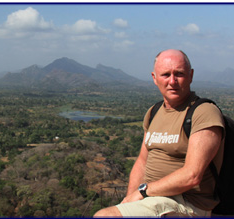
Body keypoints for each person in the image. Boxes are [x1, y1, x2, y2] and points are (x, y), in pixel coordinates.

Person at [93, 49, 225, 217]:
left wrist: (142, 192)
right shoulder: (154, 112)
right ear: (154, 78)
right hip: (153, 198)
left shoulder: (203, 112)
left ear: (191, 75)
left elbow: (192, 175)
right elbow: (142, 161)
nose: (172, 81)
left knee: (104, 216)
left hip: (187, 203)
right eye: (165, 74)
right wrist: (129, 199)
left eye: (179, 74)